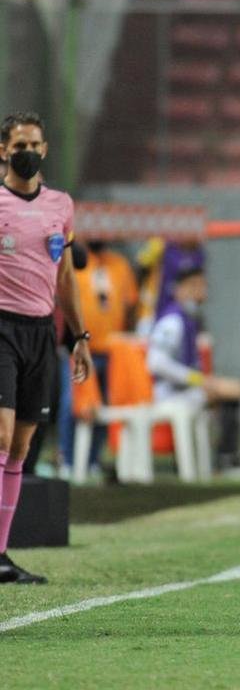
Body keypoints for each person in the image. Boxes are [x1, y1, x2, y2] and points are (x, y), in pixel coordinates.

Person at [0, 111, 93, 584]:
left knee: (20, 446)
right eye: (19, 144)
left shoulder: (60, 205)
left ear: (46, 149)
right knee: (0, 435)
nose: (27, 152)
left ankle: (1, 555)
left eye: (34, 144)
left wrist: (79, 336)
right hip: (1, 326)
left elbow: (65, 277)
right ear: (3, 151)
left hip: (41, 330)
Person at [146, 268, 240, 474]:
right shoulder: (172, 321)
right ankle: (226, 459)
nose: (200, 293)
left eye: (202, 286)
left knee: (231, 389)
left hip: (182, 390)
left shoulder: (189, 318)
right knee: (228, 392)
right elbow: (156, 362)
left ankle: (213, 456)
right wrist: (197, 380)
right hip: (166, 392)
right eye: (194, 286)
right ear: (178, 290)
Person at [59, 238, 138, 477]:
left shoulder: (119, 264)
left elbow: (131, 303)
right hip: (80, 347)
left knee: (104, 406)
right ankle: (68, 459)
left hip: (111, 348)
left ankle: (92, 459)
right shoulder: (76, 260)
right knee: (73, 404)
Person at [135, 236, 205, 334]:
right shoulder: (159, 244)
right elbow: (140, 267)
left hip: (183, 315)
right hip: (152, 313)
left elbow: (198, 287)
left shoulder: (198, 254)